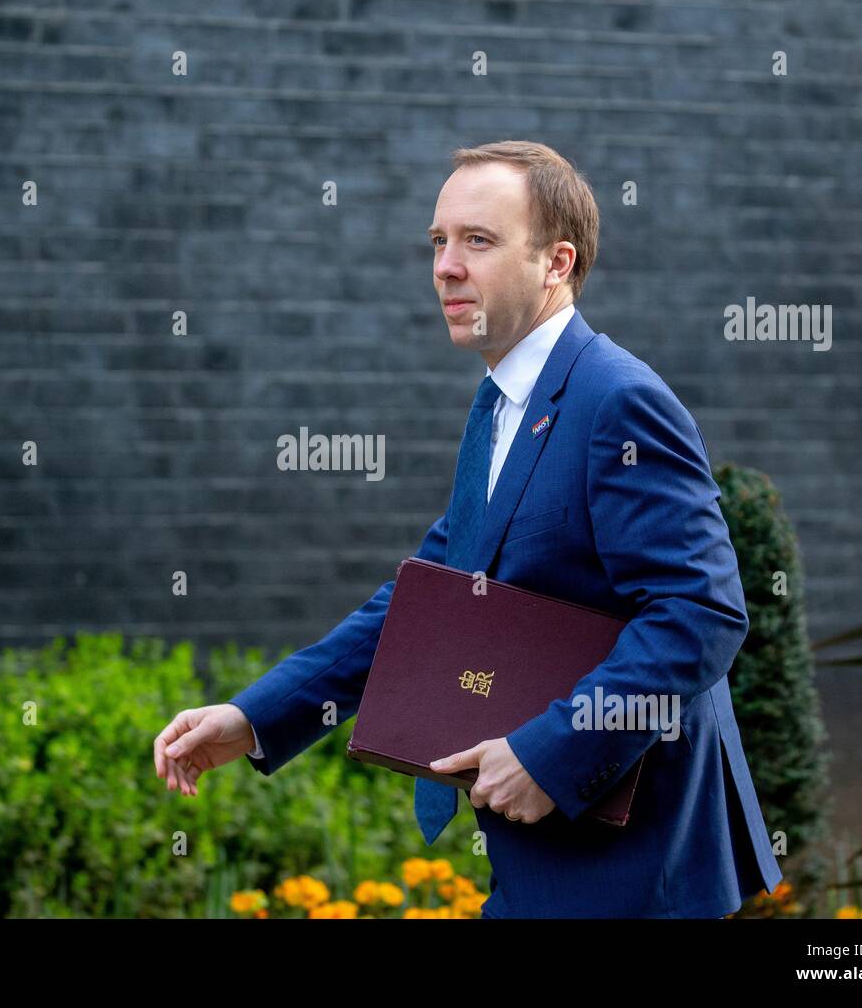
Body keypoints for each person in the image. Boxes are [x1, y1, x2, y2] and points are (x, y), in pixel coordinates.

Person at [153, 140, 784, 918]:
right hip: (545, 858)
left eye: (477, 241)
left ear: (557, 263)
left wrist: (549, 755)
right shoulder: (501, 408)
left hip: (632, 871)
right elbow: (429, 602)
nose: (445, 266)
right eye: (438, 241)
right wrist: (255, 717)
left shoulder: (618, 402)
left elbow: (702, 614)